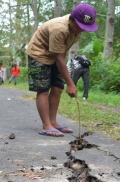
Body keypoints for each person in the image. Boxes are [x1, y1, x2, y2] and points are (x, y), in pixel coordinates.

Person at [26, 3, 98, 137]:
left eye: (85, 27)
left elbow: (61, 54)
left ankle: (53, 122)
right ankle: (46, 124)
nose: (82, 30)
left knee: (58, 87)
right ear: (71, 19)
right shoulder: (59, 29)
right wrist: (71, 84)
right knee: (43, 89)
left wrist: (67, 82)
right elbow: (59, 58)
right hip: (39, 54)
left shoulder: (77, 29)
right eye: (80, 26)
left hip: (55, 55)